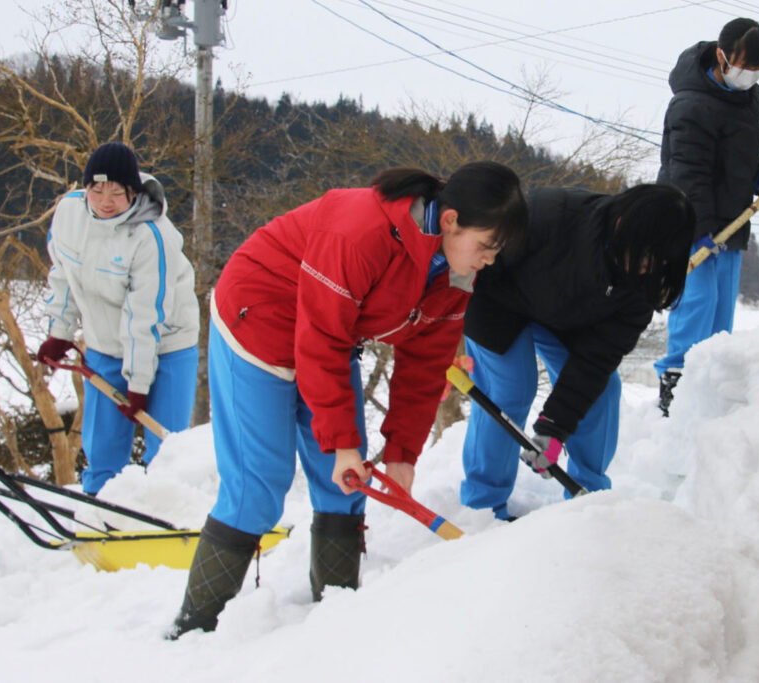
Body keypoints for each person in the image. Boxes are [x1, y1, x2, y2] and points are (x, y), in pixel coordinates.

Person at [168, 162, 528, 637]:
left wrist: (402, 454)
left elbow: (423, 366)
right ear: (450, 220)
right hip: (258, 317)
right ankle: (193, 631)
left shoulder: (457, 274)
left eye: (496, 251)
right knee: (260, 484)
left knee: (346, 482)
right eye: (485, 245)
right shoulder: (362, 232)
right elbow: (320, 339)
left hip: (329, 338)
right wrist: (341, 441)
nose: (488, 260)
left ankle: (334, 624)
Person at [460, 183, 695, 521]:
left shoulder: (642, 287)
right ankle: (482, 506)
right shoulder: (546, 215)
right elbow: (476, 264)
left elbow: (595, 360)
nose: (646, 266)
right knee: (510, 390)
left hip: (567, 319)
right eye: (643, 254)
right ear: (621, 224)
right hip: (498, 302)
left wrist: (554, 427)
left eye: (657, 260)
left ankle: (586, 502)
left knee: (603, 393)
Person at [37, 142, 199, 494]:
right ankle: (99, 510)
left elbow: (145, 316)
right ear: (85, 189)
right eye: (96, 189)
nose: (105, 200)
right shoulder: (68, 214)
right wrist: (60, 332)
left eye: (117, 191)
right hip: (104, 343)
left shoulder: (151, 236)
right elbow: (63, 274)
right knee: (103, 445)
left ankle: (168, 517)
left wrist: (138, 385)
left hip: (167, 343)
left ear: (133, 191)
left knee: (165, 447)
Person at [652, 17, 759, 416]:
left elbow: (739, 150)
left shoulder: (749, 97)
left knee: (722, 306)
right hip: (687, 217)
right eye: (744, 66)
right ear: (722, 57)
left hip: (732, 219)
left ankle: (713, 387)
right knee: (697, 301)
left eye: (758, 70)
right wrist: (698, 231)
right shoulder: (690, 103)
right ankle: (674, 381)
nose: (750, 76)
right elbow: (687, 171)